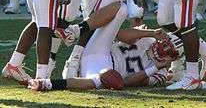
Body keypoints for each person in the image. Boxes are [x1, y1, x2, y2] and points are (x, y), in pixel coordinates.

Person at [28, 23, 182, 91]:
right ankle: (75, 58)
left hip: (106, 72)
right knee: (102, 19)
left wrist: (156, 67)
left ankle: (47, 84)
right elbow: (120, 34)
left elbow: (126, 82)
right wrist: (149, 33)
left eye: (168, 50)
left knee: (102, 80)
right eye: (165, 43)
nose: (163, 48)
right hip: (102, 51)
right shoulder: (149, 39)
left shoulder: (161, 73)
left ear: (173, 58)